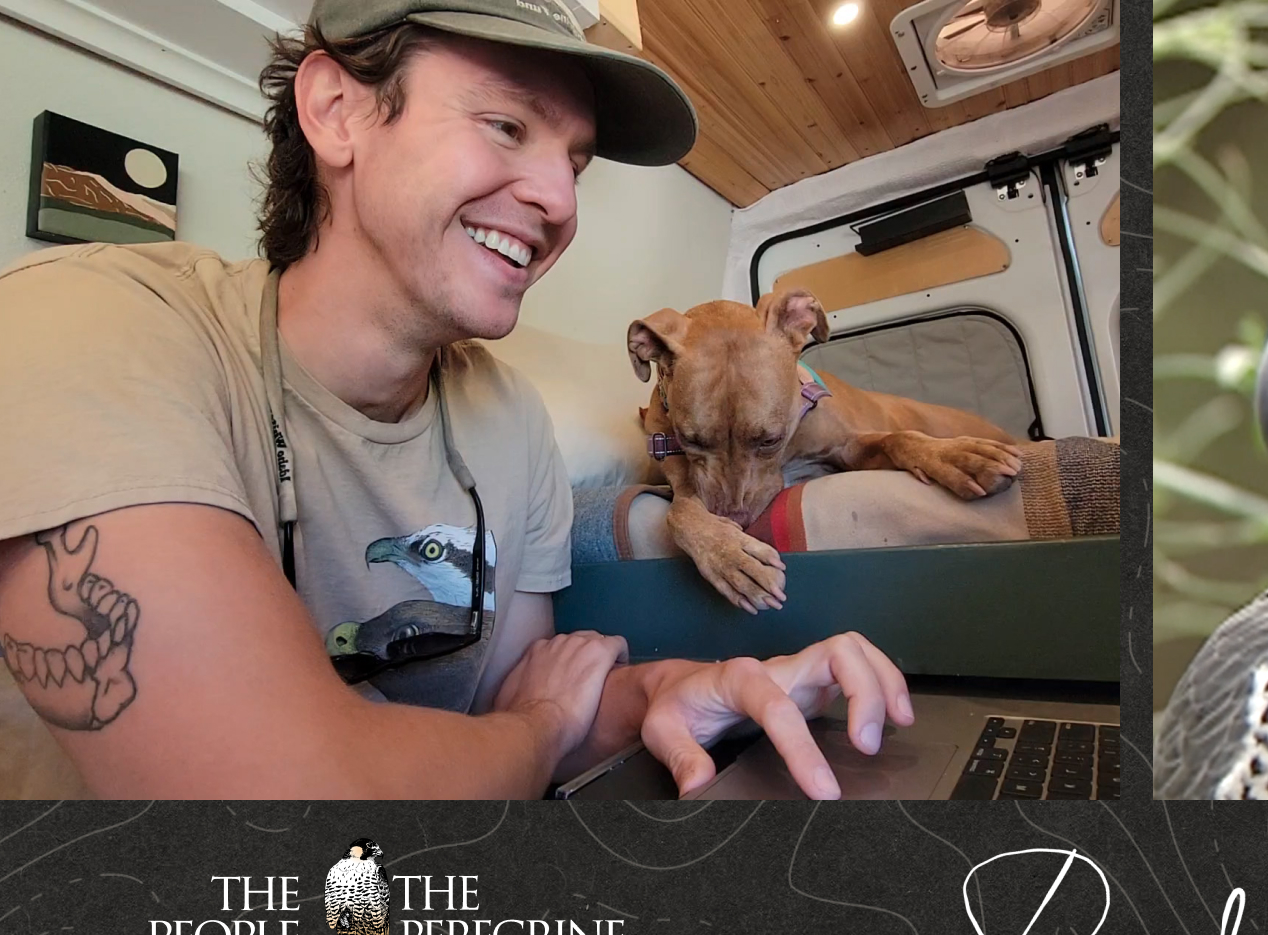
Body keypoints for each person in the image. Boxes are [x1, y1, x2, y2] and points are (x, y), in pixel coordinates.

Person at [0, 0, 911, 799]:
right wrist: (539, 725)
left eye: (576, 163)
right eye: (507, 125)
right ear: (337, 110)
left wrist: (676, 691)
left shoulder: (510, 419)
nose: (559, 200)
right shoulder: (88, 322)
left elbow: (524, 705)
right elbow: (296, 818)